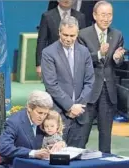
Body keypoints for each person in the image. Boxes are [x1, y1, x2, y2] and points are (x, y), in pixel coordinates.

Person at [78, 1, 125, 153]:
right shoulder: (83, 34)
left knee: (105, 136)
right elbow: (80, 60)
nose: (106, 18)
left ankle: (106, 163)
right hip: (89, 91)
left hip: (108, 91)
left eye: (109, 15)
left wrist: (117, 58)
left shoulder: (117, 35)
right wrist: (99, 54)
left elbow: (117, 62)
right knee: (82, 135)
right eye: (103, 15)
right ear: (94, 15)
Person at [41, 16, 95, 148]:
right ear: (59, 32)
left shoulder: (84, 52)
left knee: (78, 156)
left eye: (72, 35)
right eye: (65, 35)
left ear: (77, 34)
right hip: (59, 115)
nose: (68, 39)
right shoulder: (48, 53)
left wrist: (78, 106)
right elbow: (51, 84)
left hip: (80, 114)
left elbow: (90, 81)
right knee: (57, 156)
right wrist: (70, 106)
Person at [0, 90, 66, 168]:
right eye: (40, 113)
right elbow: (4, 148)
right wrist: (33, 153)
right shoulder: (14, 122)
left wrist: (60, 143)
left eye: (45, 114)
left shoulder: (44, 120)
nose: (42, 117)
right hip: (16, 166)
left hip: (40, 165)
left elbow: (52, 136)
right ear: (29, 108)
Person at [36, 0, 86, 77]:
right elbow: (42, 41)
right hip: (53, 61)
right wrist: (39, 64)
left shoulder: (80, 17)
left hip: (74, 62)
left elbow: (83, 41)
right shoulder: (47, 16)